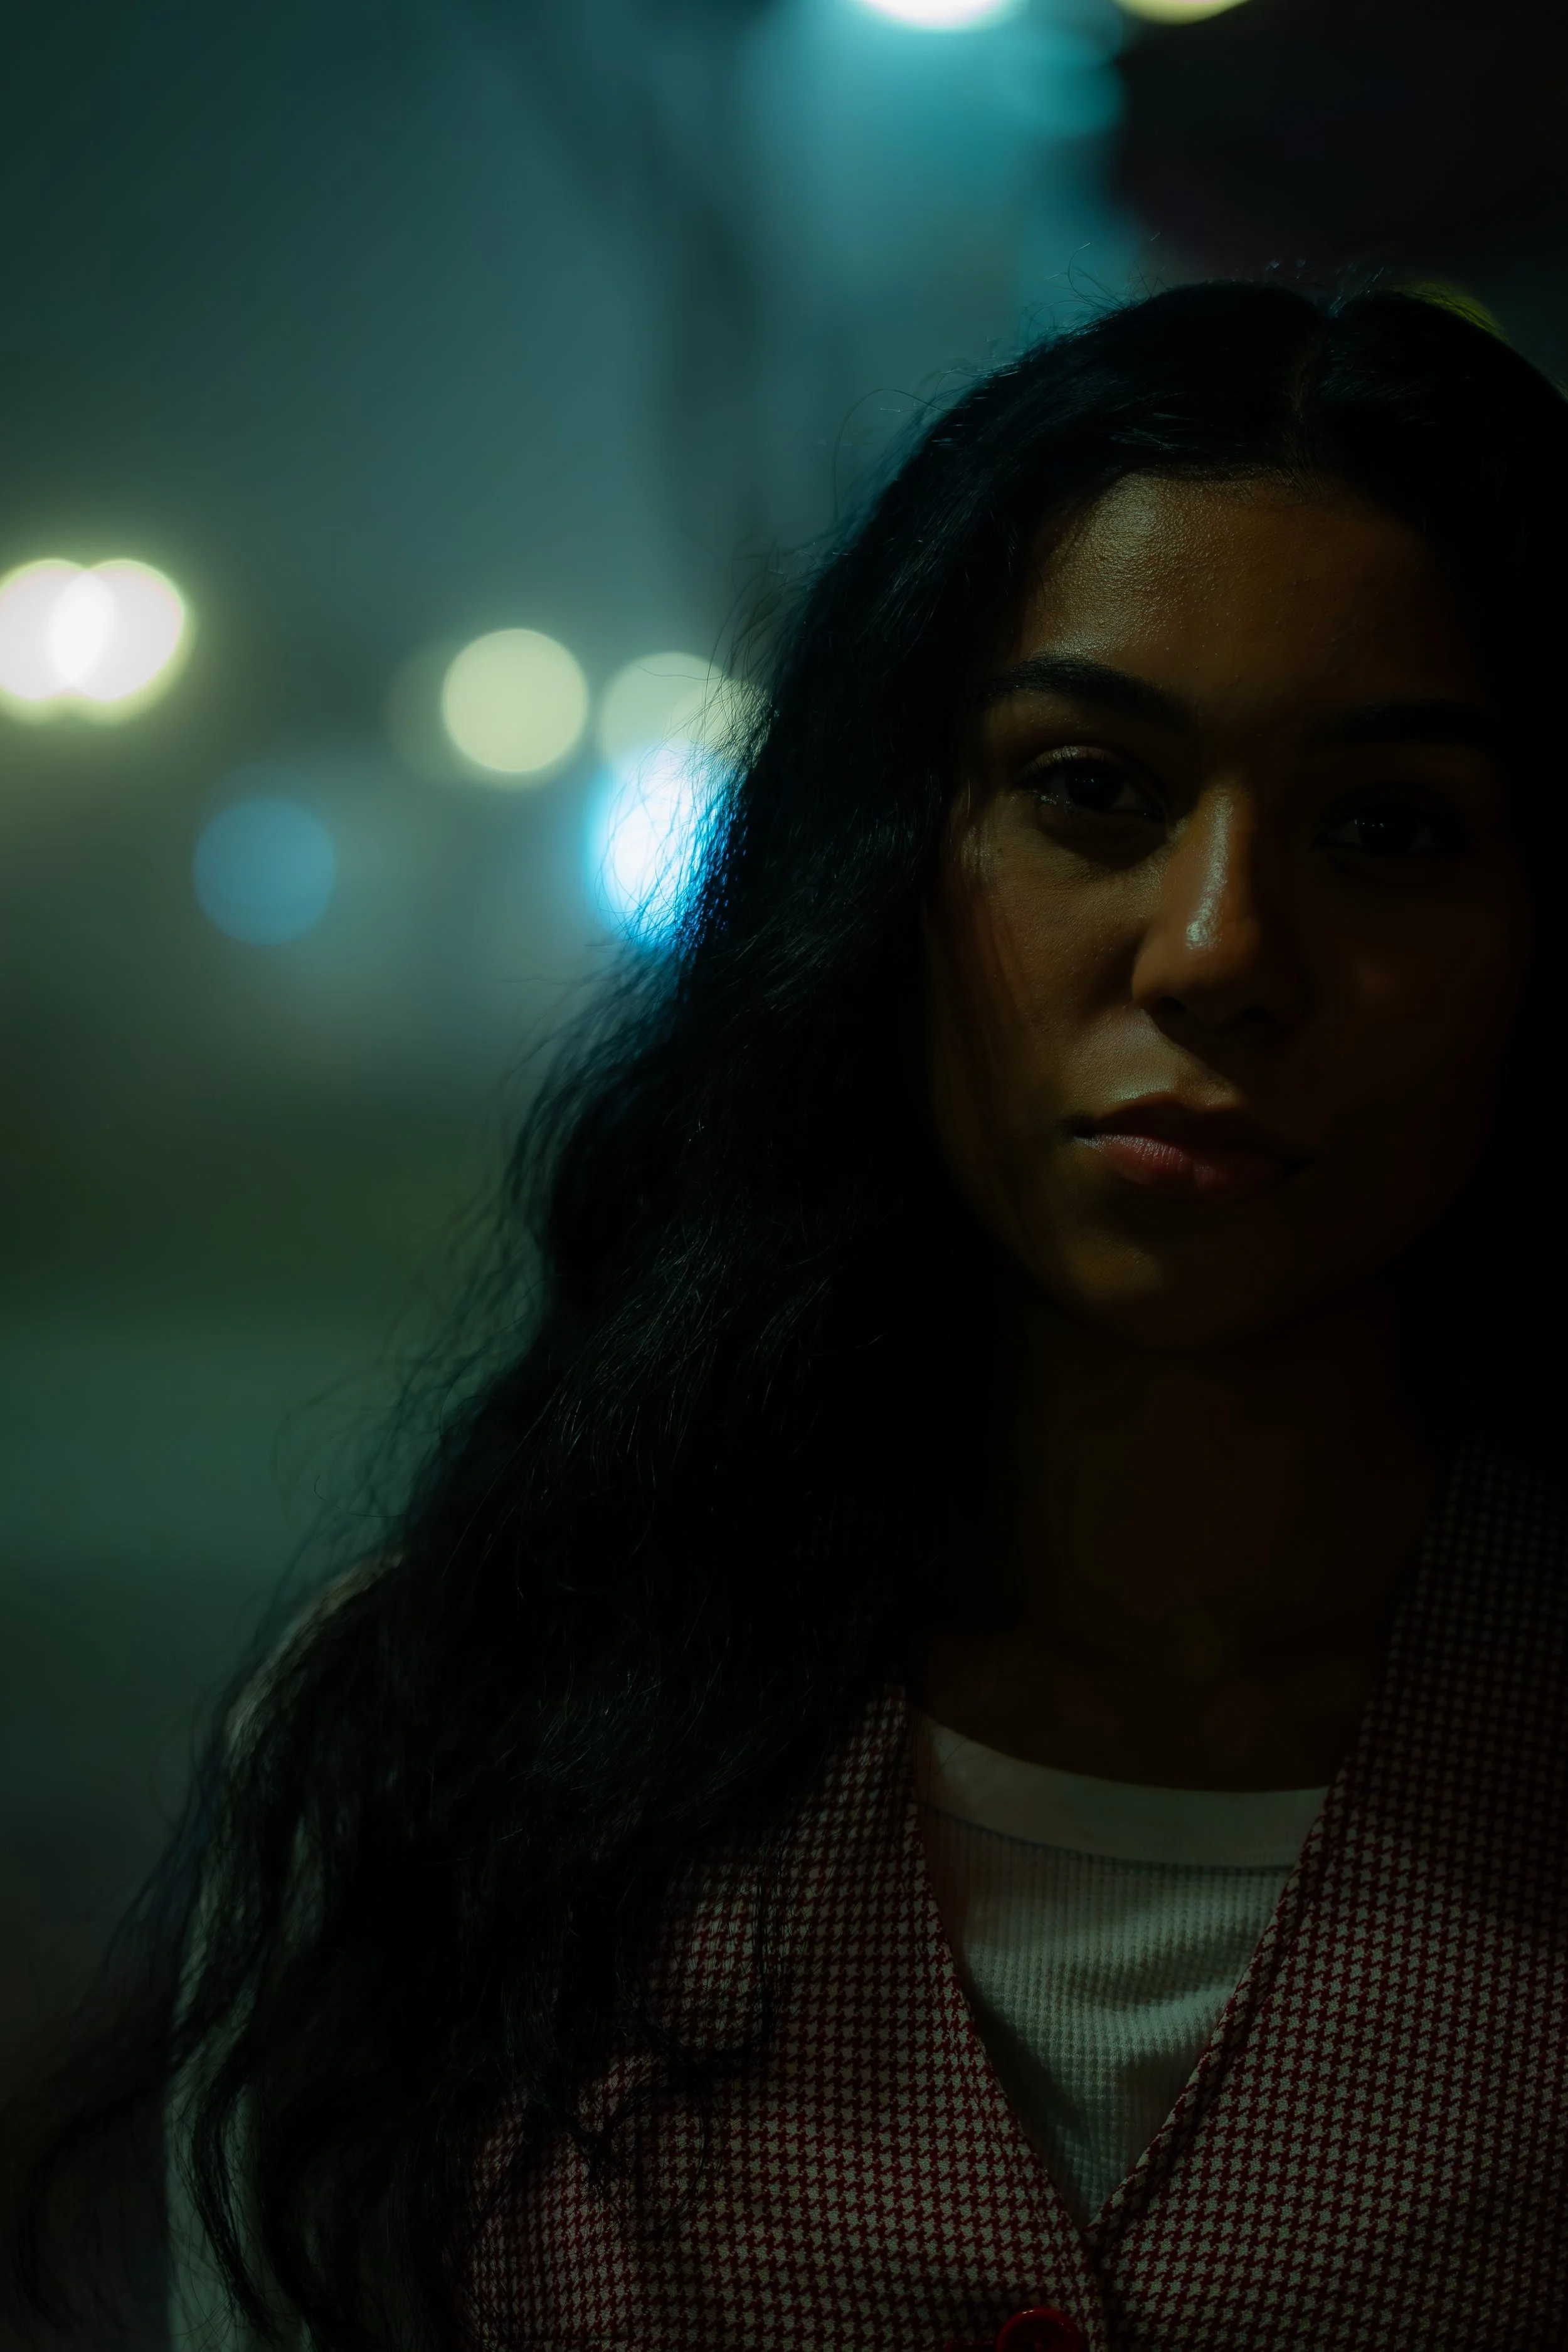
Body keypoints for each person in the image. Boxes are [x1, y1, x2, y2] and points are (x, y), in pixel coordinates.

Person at [8, 282, 1567, 2352]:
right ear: (883, 865)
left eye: (1387, 831)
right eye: (1091, 787)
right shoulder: (448, 1745)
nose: (1216, 951)